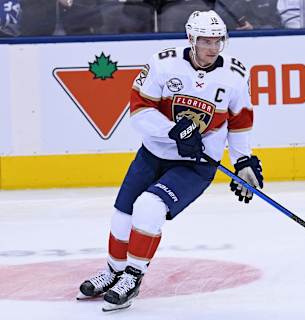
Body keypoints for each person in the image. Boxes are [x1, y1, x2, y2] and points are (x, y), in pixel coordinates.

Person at [76, 9, 264, 312]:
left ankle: (133, 277)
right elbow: (138, 108)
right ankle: (113, 272)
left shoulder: (236, 75)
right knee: (122, 215)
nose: (213, 48)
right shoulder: (163, 63)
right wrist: (173, 131)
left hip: (196, 164)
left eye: (218, 41)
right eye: (205, 41)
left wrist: (242, 161)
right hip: (153, 154)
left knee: (149, 207)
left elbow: (240, 121)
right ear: (191, 38)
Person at [214, 0, 282, 30]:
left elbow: (277, 26)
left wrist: (254, 28)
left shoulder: (270, 2)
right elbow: (216, 25)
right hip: (231, 41)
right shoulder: (224, 2)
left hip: (264, 42)